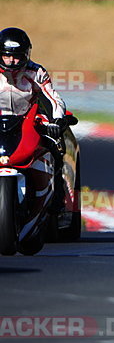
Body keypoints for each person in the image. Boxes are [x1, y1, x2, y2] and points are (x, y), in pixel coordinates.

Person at [0, 27, 68, 211]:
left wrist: (58, 120)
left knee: (55, 146)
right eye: (7, 56)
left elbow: (54, 98)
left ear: (26, 55)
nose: (12, 61)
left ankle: (57, 197)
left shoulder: (36, 72)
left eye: (18, 56)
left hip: (27, 119)